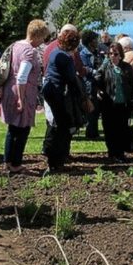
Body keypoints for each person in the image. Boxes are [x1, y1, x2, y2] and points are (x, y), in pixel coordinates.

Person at [1, 19, 50, 174]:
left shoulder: (16, 45)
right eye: (43, 38)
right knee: (22, 130)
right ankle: (15, 163)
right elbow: (22, 76)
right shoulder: (29, 51)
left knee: (12, 129)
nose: (43, 41)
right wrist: (21, 99)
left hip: (10, 90)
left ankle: (8, 161)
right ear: (37, 35)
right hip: (22, 92)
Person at [42, 28, 93, 170]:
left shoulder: (55, 53)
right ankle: (56, 161)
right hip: (57, 94)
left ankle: (55, 159)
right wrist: (83, 99)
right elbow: (72, 80)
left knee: (58, 125)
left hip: (51, 91)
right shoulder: (64, 58)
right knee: (62, 126)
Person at [95, 42, 133, 162]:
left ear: (120, 55)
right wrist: (98, 90)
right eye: (110, 54)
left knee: (122, 129)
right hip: (109, 104)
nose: (112, 56)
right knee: (109, 130)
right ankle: (112, 153)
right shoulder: (105, 66)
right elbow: (97, 78)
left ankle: (120, 153)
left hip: (123, 104)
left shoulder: (126, 67)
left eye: (115, 54)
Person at [80, 30, 101, 139]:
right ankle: (91, 133)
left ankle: (94, 132)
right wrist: (93, 72)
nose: (97, 41)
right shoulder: (84, 54)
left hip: (98, 84)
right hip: (89, 85)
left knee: (96, 110)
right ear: (89, 41)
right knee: (91, 110)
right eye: (95, 39)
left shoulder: (97, 52)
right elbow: (82, 68)